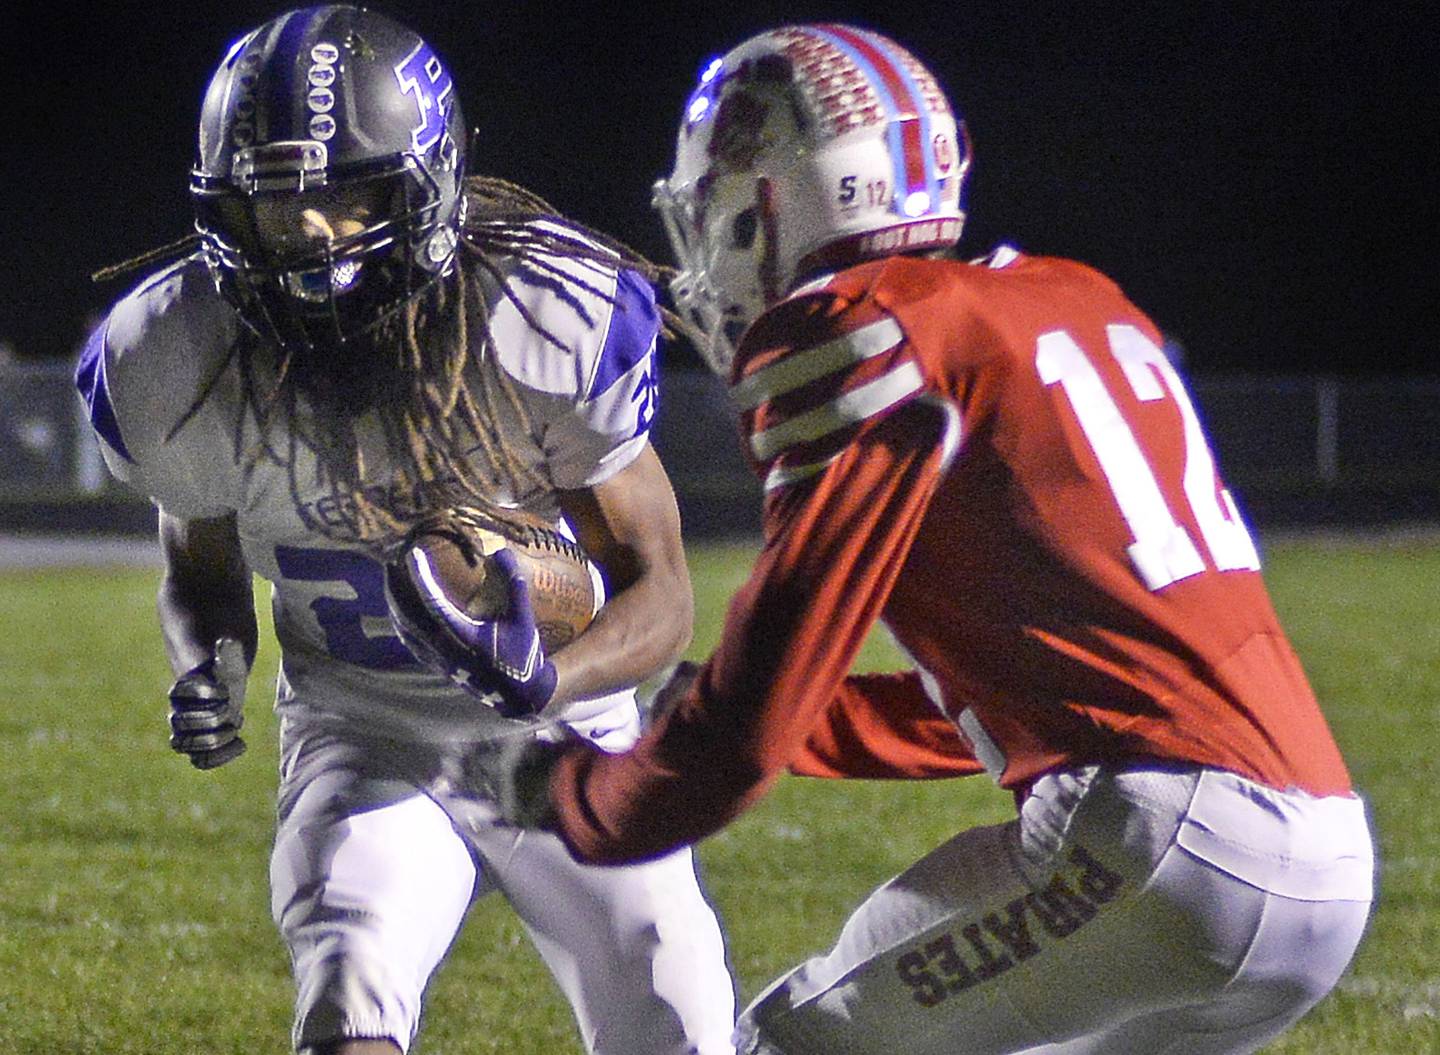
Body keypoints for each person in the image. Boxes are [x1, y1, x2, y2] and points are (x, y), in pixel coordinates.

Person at [473, 23, 1377, 1055]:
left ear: (770, 204)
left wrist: (578, 793)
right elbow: (1030, 697)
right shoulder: (1076, 299)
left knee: (800, 1040)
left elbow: (744, 737)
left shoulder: (856, 329)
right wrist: (732, 707)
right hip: (1323, 861)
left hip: (1161, 846)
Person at [74, 6, 736, 1054]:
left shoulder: (542, 314)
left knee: (675, 1017)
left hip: (572, 735)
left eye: (346, 196)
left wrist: (548, 681)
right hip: (364, 734)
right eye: (273, 209)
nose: (309, 239)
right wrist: (211, 656)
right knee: (350, 987)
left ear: (429, 184)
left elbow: (662, 592)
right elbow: (198, 566)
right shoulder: (176, 352)